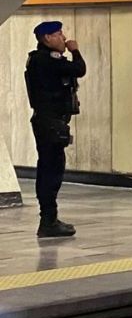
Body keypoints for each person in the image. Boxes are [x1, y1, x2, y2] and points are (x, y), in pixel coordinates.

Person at [24, 21, 85, 238]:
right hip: (50, 122)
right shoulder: (46, 59)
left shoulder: (41, 59)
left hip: (49, 121)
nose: (64, 37)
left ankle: (49, 218)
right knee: (51, 171)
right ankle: (48, 221)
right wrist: (75, 50)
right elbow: (80, 69)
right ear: (47, 38)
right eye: (59, 34)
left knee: (49, 168)